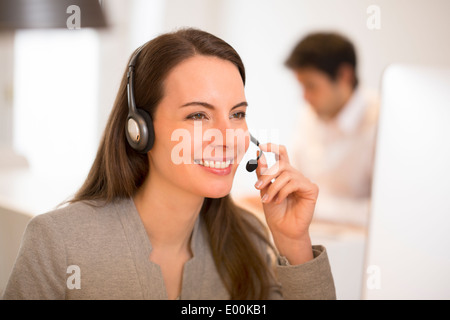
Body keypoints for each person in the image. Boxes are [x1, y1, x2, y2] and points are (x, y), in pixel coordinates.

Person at [2, 28, 335, 300]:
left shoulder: (246, 240)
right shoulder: (58, 242)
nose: (228, 136)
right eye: (197, 115)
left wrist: (294, 244)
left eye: (237, 114)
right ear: (140, 130)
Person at [284, 32, 380, 227]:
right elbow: (296, 179)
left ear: (344, 75)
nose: (305, 97)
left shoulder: (380, 122)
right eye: (301, 86)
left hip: (357, 247)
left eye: (311, 86)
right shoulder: (309, 115)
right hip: (308, 232)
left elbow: (381, 212)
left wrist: (310, 205)